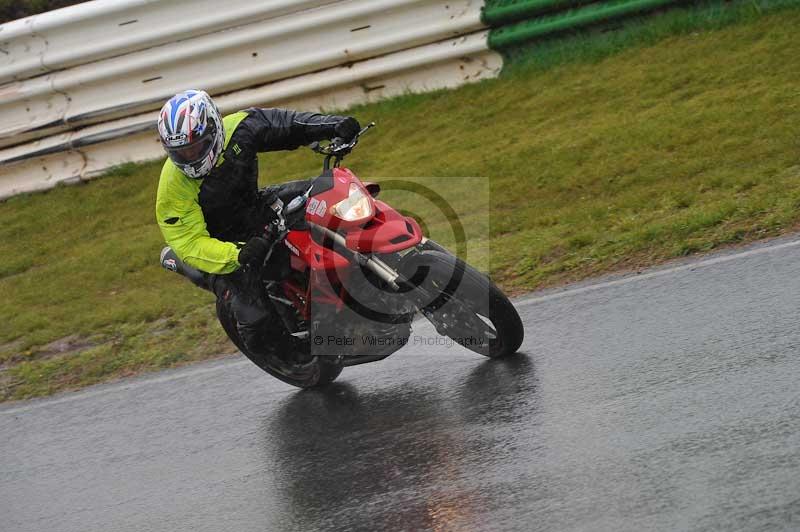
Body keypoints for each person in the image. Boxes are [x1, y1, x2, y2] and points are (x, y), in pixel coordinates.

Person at [155, 89, 360, 364]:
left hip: (256, 207)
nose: (190, 157)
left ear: (215, 129)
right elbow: (189, 242)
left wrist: (332, 125)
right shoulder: (172, 188)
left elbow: (285, 124)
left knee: (332, 192)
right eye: (181, 153)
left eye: (195, 147)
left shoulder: (240, 128)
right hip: (222, 246)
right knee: (254, 318)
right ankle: (298, 356)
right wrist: (236, 255)